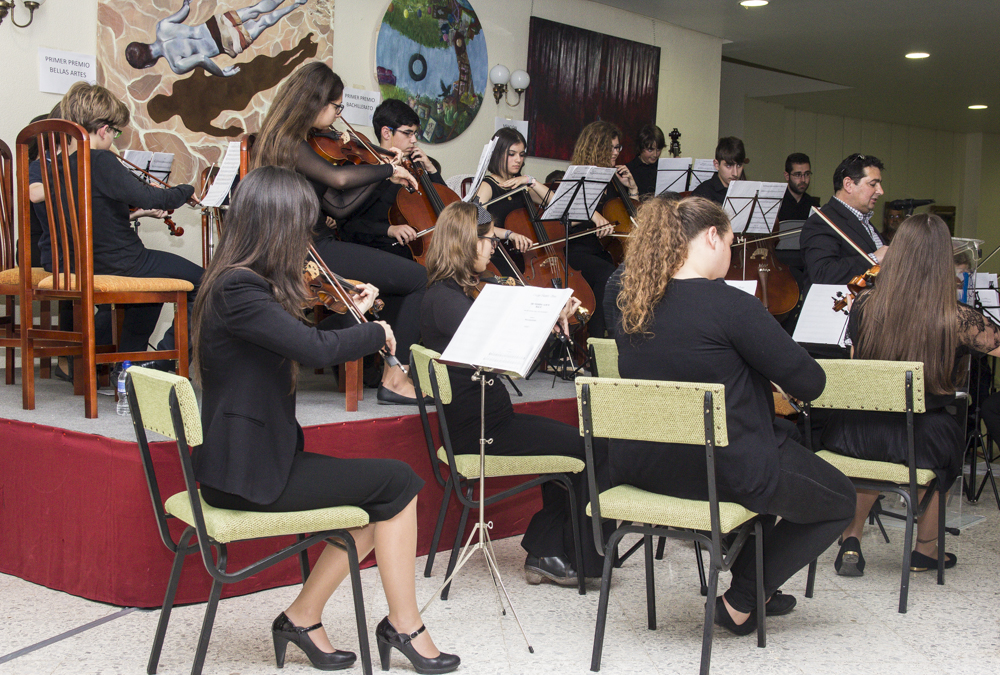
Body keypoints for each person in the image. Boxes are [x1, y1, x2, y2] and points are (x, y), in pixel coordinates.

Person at [191, 166, 458, 674]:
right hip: (245, 474)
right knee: (397, 483)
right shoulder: (238, 290)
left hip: (248, 461)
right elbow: (312, 346)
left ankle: (303, 616)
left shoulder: (236, 282)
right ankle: (404, 625)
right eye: (303, 227)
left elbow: (293, 334)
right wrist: (376, 331)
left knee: (372, 504)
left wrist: (347, 312)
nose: (308, 240)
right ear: (276, 225)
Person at [612, 195, 856, 635]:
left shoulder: (633, 305)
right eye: (730, 242)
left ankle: (758, 583)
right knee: (839, 499)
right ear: (711, 236)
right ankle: (743, 597)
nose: (732, 253)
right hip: (725, 469)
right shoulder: (732, 305)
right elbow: (811, 383)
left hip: (651, 466)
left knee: (783, 455)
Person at [421, 200, 613, 586]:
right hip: (479, 432)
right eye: (487, 239)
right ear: (464, 242)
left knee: (577, 446)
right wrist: (550, 322)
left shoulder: (451, 293)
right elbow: (507, 357)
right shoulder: (448, 302)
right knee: (590, 447)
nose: (493, 247)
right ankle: (557, 552)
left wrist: (552, 317)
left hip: (488, 421)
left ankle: (548, 548)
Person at [821, 214, 1000, 576]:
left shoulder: (864, 305)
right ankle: (925, 551)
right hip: (922, 438)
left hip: (856, 432)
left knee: (877, 455)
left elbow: (858, 369)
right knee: (942, 452)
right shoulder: (960, 318)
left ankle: (851, 540)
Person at [251, 61, 427, 405]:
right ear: (315, 102)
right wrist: (385, 168)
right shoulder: (288, 142)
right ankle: (395, 377)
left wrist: (385, 175)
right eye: (336, 106)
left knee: (402, 281)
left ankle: (360, 360)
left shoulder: (296, 143)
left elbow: (339, 206)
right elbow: (340, 180)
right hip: (307, 251)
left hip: (316, 245)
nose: (337, 114)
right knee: (418, 278)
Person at [35, 82, 202, 360]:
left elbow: (95, 213)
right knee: (208, 282)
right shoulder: (100, 161)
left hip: (71, 263)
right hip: (119, 261)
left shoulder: (58, 165)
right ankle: (163, 362)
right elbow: (154, 198)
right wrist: (186, 190)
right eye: (115, 132)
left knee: (151, 295)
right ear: (103, 130)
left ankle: (127, 366)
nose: (113, 138)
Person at [337, 98, 452, 258]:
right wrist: (389, 230)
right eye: (408, 133)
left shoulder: (413, 166)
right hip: (377, 251)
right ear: (386, 132)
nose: (414, 140)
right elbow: (348, 225)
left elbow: (447, 207)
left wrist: (431, 170)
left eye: (414, 133)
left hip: (415, 251)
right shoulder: (362, 170)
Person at [561, 121, 632, 339]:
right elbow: (562, 220)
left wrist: (632, 189)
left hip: (603, 251)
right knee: (608, 275)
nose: (615, 153)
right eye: (611, 147)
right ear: (595, 147)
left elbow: (628, 218)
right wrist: (593, 216)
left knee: (627, 274)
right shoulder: (578, 177)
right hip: (576, 250)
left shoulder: (613, 179)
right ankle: (597, 341)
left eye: (617, 147)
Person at [125, 0, 309, 77]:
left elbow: (202, 58)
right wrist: (186, 3)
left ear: (148, 64)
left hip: (223, 43)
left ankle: (295, 4)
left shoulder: (176, 65)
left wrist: (221, 73)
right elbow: (185, 11)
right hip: (215, 25)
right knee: (257, 8)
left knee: (263, 22)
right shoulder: (162, 27)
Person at [799, 153, 889, 286]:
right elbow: (821, 273)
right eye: (873, 184)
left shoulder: (865, 221)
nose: (880, 191)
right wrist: (873, 259)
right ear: (848, 184)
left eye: (879, 184)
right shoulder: (821, 222)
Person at [472, 127, 544, 276]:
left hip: (525, 255)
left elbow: (554, 202)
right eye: (512, 154)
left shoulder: (521, 185)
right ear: (498, 154)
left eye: (522, 155)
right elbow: (477, 224)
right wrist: (509, 234)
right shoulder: (488, 186)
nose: (518, 160)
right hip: (497, 254)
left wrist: (530, 180)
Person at [691, 136, 746, 205]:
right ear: (716, 165)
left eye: (739, 165)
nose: (735, 173)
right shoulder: (702, 194)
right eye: (728, 166)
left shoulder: (746, 191)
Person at [777, 152, 820, 222]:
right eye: (797, 175)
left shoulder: (813, 205)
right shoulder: (776, 204)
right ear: (787, 176)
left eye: (807, 174)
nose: (803, 180)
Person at [624, 124, 665, 198]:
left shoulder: (664, 168)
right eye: (650, 150)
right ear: (640, 148)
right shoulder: (629, 169)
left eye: (658, 149)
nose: (655, 154)